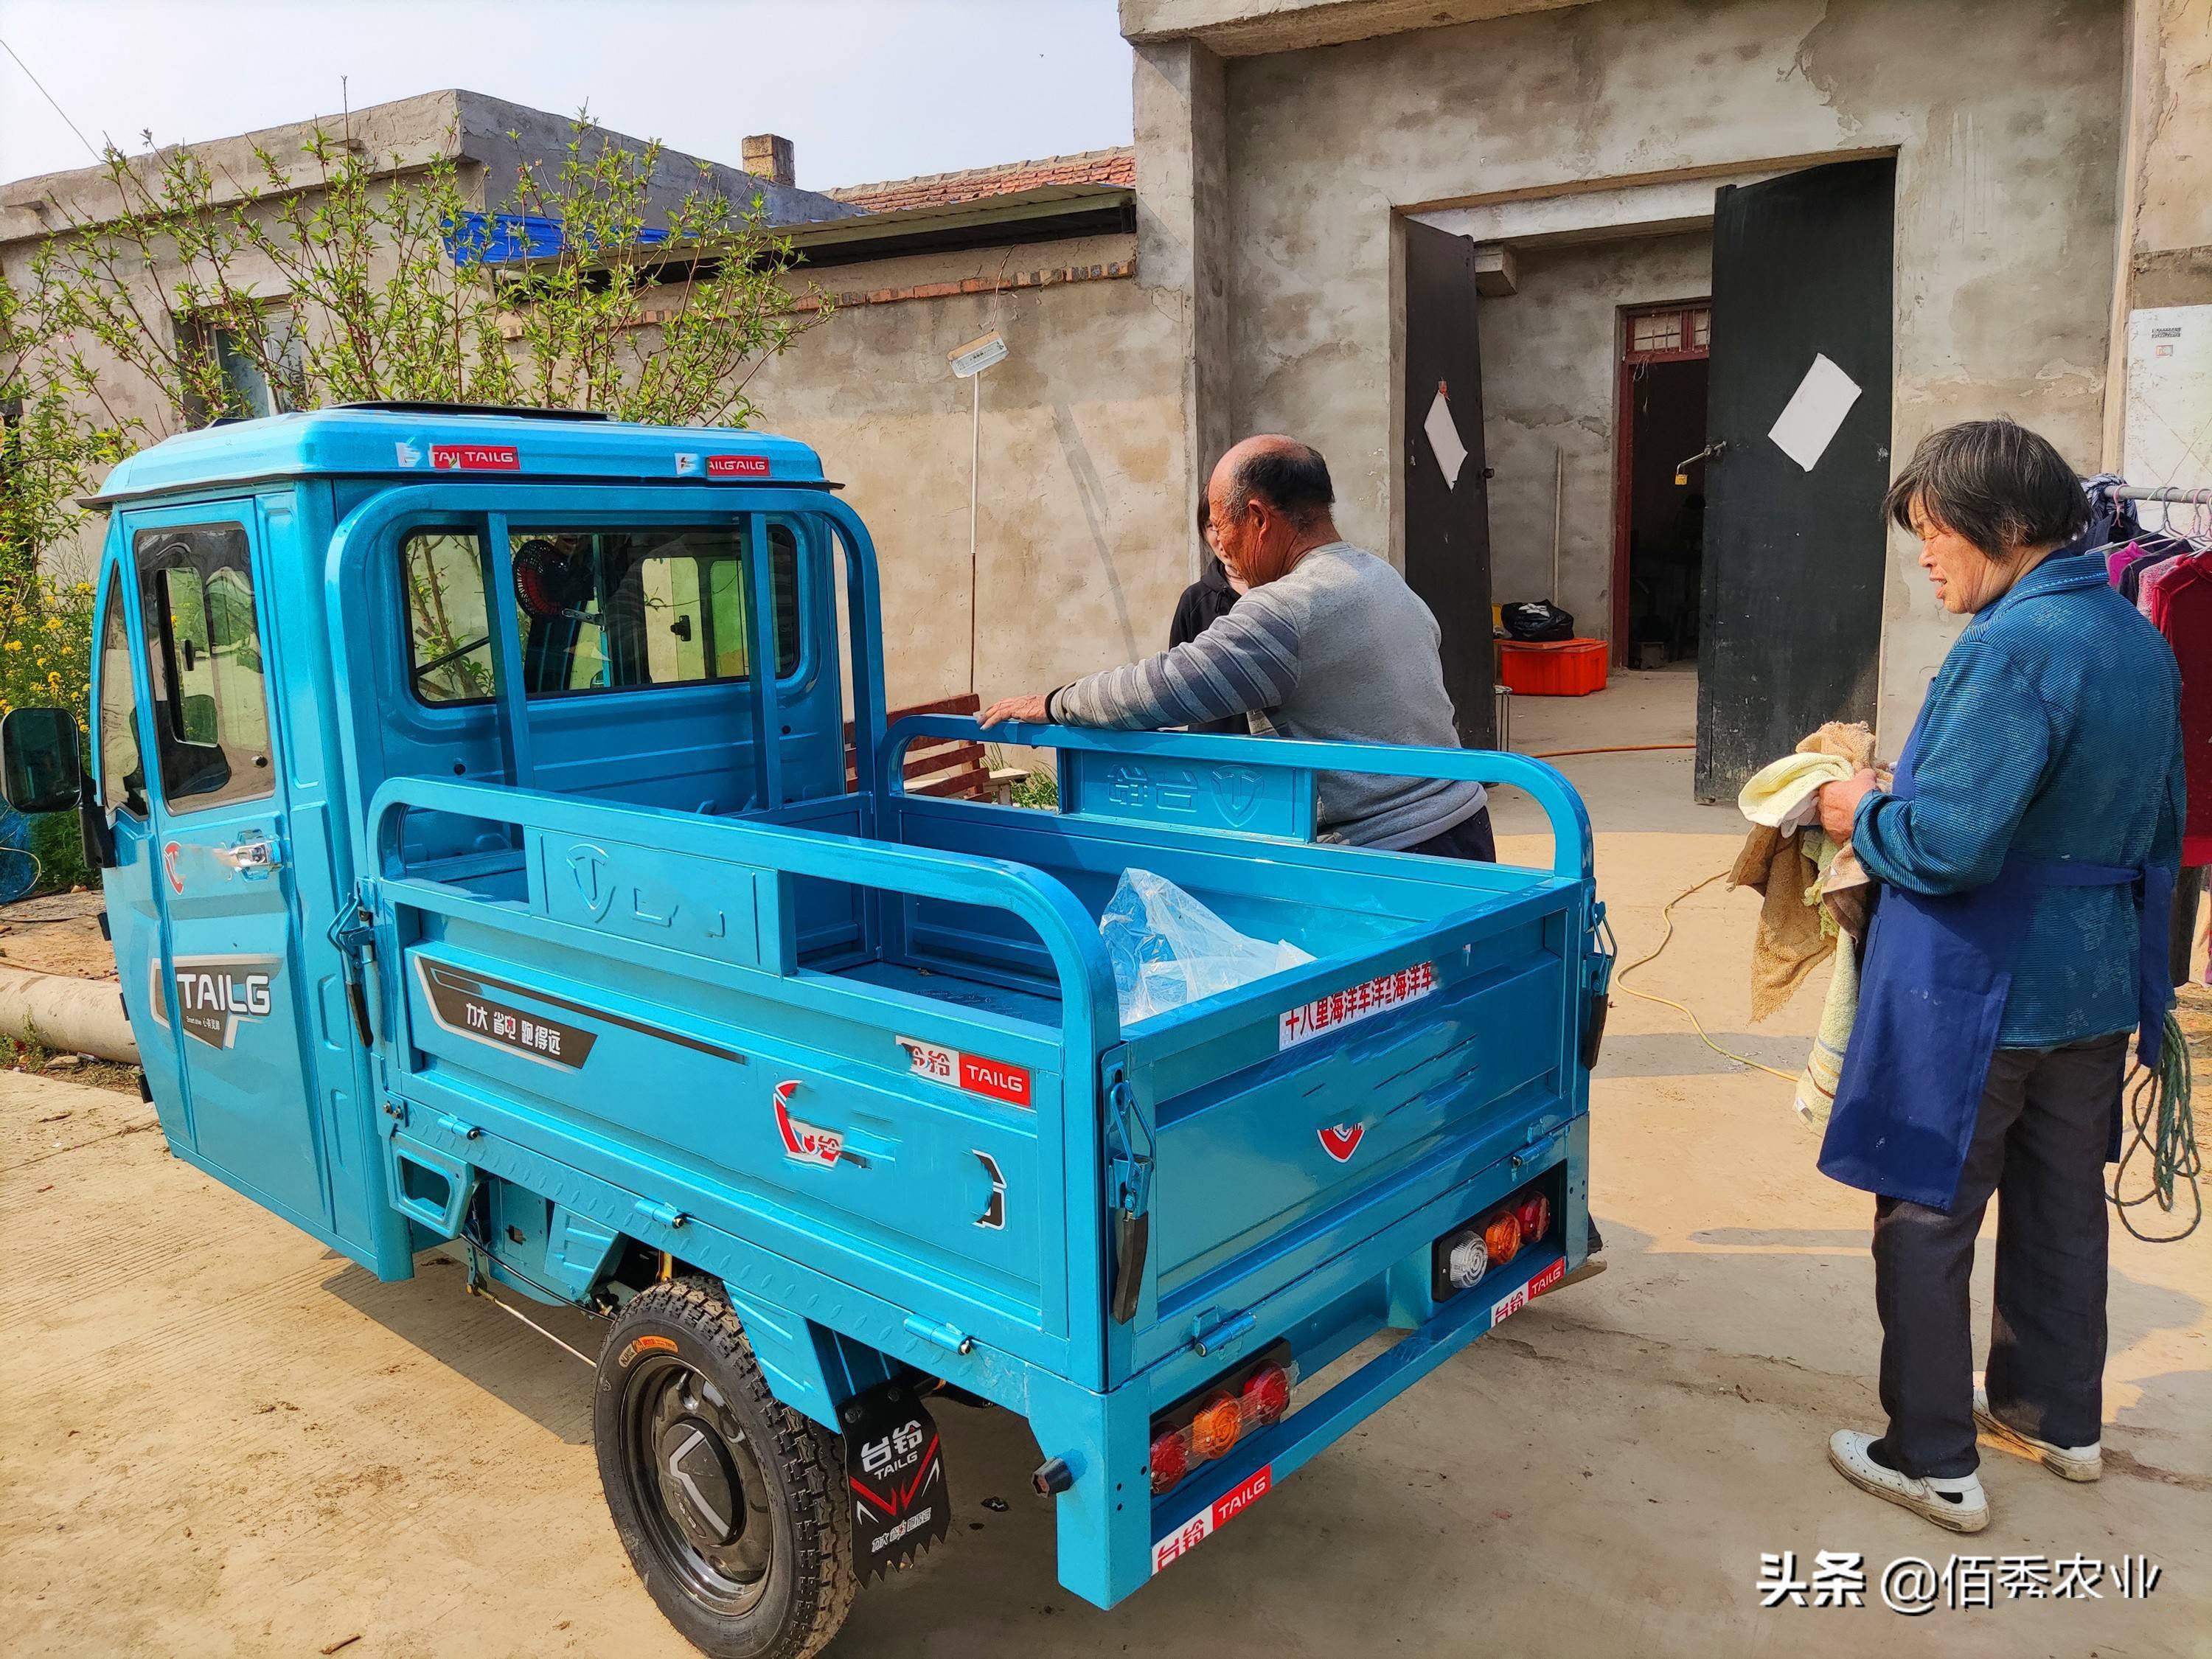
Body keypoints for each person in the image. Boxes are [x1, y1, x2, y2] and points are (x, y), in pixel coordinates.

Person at [1813, 419, 2184, 1534]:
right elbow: (2163, 821)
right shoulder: (2133, 635)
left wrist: (1856, 807)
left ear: (2006, 525)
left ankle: (1931, 1457)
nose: (1926, 557)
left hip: (1982, 983)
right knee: (2063, 1205)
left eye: (1935, 533)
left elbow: (1951, 844)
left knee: (1926, 1212)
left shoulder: (2012, 648)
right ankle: (2054, 1417)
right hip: (2096, 979)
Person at [981, 434, 1494, 859]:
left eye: (1222, 529)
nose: (1221, 547)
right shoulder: (1380, 576)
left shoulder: (1286, 609)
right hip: (1466, 825)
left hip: (1390, 860)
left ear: (1258, 518)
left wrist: (1050, 703)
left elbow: (1158, 688)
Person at [1167, 495, 1246, 736]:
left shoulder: (1281, 592)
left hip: (1275, 750)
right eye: (1211, 526)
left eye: (1227, 524)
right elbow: (1177, 677)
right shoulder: (1194, 600)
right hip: (1211, 746)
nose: (1220, 537)